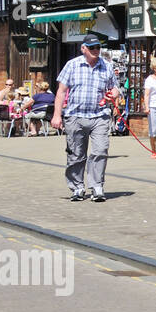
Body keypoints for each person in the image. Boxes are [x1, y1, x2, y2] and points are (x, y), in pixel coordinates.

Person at [52, 34, 118, 202]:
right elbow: (61, 91)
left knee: (100, 150)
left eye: (98, 47)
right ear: (83, 49)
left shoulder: (107, 66)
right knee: (76, 154)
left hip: (100, 116)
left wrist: (114, 94)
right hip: (75, 116)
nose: (96, 50)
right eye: (92, 48)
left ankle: (97, 186)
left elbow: (115, 88)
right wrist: (57, 115)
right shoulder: (72, 65)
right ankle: (77, 187)